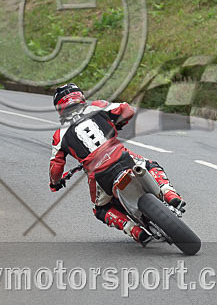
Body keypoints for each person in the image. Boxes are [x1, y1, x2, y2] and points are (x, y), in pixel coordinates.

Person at [48, 83, 185, 244]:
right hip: (122, 158)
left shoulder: (59, 134)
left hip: (100, 176)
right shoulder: (97, 107)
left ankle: (134, 230)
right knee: (150, 165)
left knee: (100, 210)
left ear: (59, 107)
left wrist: (55, 183)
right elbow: (127, 110)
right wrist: (117, 122)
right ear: (80, 96)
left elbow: (56, 167)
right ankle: (170, 194)